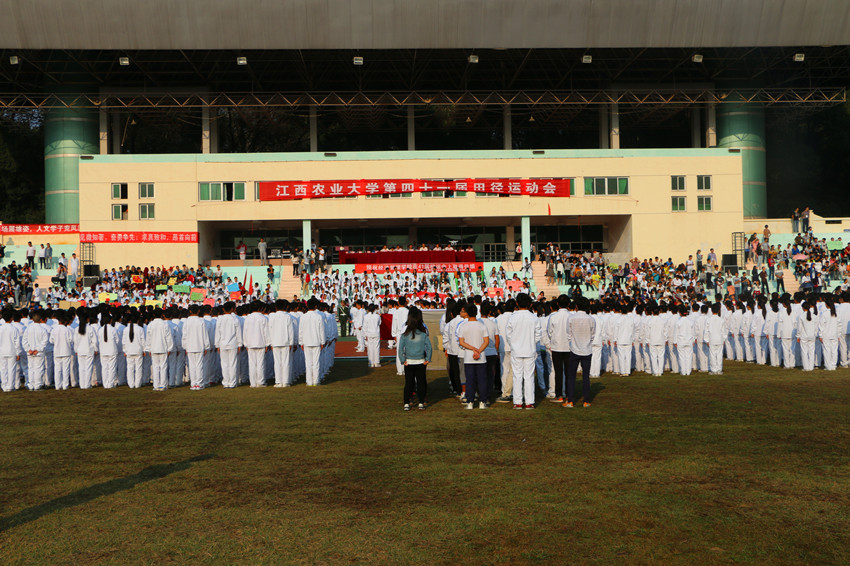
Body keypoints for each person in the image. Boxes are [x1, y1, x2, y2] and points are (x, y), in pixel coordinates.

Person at [505, 293, 540, 410]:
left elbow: (508, 335)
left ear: (517, 303)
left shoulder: (513, 318)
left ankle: (518, 402)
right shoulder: (534, 317)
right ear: (530, 304)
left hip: (517, 350)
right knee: (529, 376)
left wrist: (514, 344)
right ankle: (529, 402)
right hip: (530, 350)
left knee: (517, 376)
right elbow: (537, 335)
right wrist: (531, 343)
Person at [563, 298, 595, 408]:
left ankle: (570, 401)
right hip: (587, 350)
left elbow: (568, 334)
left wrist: (573, 344)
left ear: (576, 306)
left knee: (571, 376)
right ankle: (586, 401)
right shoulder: (591, 319)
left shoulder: (571, 318)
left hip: (574, 350)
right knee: (586, 376)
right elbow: (592, 335)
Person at [398, 307, 432, 411]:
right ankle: (421, 402)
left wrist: (403, 360)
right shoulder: (423, 333)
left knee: (409, 383)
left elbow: (400, 348)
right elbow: (429, 347)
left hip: (409, 361)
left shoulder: (405, 333)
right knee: (421, 382)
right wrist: (428, 359)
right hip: (421, 361)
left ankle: (406, 403)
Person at [457, 303, 489, 410]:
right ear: (477, 312)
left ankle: (470, 402)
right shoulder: (482, 325)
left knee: (470, 380)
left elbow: (461, 342)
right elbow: (486, 341)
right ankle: (482, 402)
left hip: (469, 357)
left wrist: (472, 349)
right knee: (482, 380)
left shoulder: (463, 326)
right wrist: (478, 350)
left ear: (467, 313)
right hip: (481, 357)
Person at [547, 295, 571, 403]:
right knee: (568, 372)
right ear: (568, 304)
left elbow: (549, 332)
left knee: (558, 372)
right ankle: (568, 394)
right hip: (569, 347)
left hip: (557, 346)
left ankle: (559, 394)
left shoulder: (553, 317)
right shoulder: (571, 316)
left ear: (557, 304)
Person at [215, 301, 243, 388]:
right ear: (232, 309)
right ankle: (232, 382)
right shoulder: (235, 319)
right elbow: (238, 333)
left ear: (223, 309)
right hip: (233, 344)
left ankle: (226, 382)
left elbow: (217, 333)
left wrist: (217, 345)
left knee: (224, 364)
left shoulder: (220, 319)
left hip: (223, 344)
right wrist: (240, 344)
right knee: (233, 364)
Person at [182, 304, 211, 390]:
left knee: (192, 365)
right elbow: (205, 335)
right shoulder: (201, 321)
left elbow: (184, 336)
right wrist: (206, 346)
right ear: (198, 311)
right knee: (199, 365)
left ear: (190, 311)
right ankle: (199, 383)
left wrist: (185, 346)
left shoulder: (187, 322)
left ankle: (193, 383)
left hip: (190, 346)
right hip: (199, 345)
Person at [298, 297, 325, 386]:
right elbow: (321, 330)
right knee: (316, 362)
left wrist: (301, 342)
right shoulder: (318, 316)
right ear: (316, 306)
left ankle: (309, 381)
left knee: (308, 362)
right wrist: (322, 342)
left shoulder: (303, 317)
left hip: (306, 341)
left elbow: (300, 331)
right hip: (316, 341)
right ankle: (316, 381)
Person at [22, 311, 49, 390]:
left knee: (31, 368)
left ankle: (31, 384)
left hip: (30, 352)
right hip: (39, 352)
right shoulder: (43, 329)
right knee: (39, 368)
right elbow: (45, 341)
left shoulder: (28, 329)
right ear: (40, 319)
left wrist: (28, 349)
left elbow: (24, 340)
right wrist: (38, 349)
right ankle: (38, 384)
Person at [363, 304, 382, 368]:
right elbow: (379, 323)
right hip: (376, 333)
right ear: (374, 309)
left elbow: (364, 326)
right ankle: (376, 362)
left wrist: (365, 335)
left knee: (370, 348)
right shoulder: (377, 316)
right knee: (376, 348)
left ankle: (371, 362)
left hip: (369, 333)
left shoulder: (366, 316)